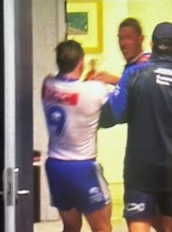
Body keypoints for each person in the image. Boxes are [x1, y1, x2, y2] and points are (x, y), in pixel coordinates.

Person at [99, 22, 172, 232]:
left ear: (151, 43)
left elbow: (111, 115)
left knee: (139, 224)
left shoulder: (133, 74)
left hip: (140, 168)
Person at [41, 40, 116, 232]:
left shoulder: (47, 84)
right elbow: (121, 98)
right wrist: (111, 79)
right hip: (82, 167)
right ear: (81, 62)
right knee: (102, 228)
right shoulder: (95, 90)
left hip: (55, 165)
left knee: (71, 226)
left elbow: (69, 88)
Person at [84, 17, 151, 82]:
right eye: (120, 38)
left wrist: (116, 80)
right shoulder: (132, 64)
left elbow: (141, 88)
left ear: (140, 39)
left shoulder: (147, 64)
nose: (123, 44)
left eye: (128, 38)